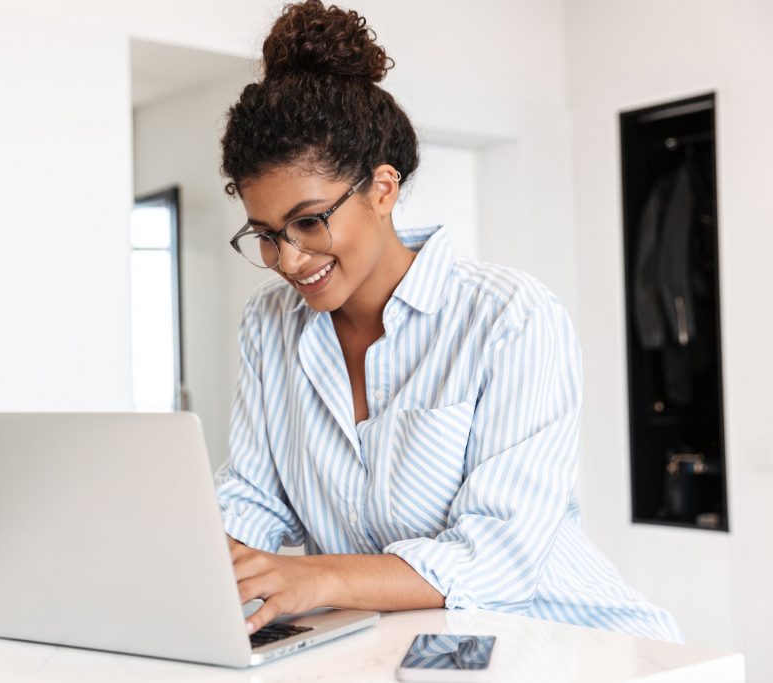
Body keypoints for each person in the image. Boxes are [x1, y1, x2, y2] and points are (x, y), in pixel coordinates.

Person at [214, 0, 681, 643]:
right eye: (266, 234)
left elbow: (497, 558)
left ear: (383, 188)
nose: (288, 260)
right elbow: (254, 498)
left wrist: (317, 578)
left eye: (309, 221)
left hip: (572, 644)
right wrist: (193, 566)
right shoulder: (269, 326)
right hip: (401, 650)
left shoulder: (508, 318)